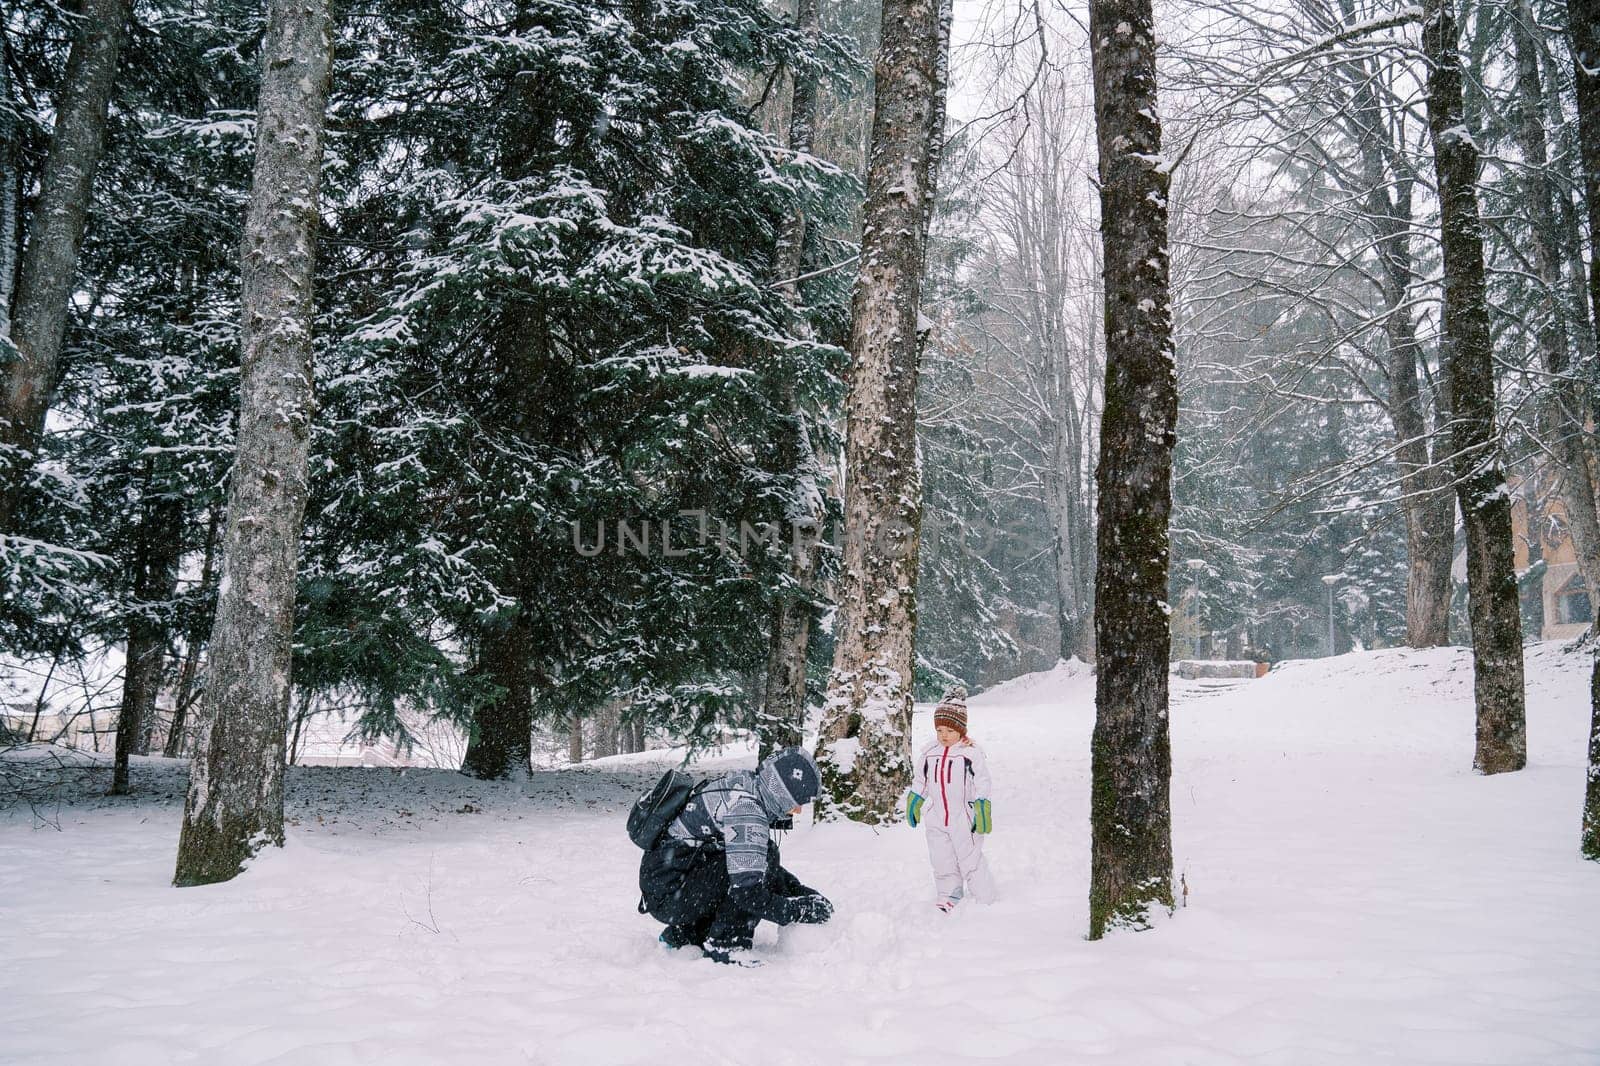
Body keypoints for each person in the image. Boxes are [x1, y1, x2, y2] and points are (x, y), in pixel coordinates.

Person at [638, 746, 833, 965]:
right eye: (798, 802)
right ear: (783, 793)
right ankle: (727, 945)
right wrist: (797, 910)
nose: (797, 811)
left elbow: (762, 869)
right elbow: (748, 893)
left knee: (756, 857)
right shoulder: (747, 811)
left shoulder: (746, 786)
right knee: (751, 868)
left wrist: (802, 893)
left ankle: (686, 935)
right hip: (669, 894)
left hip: (665, 886)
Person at [906, 686, 995, 911]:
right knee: (942, 860)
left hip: (963, 818)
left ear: (961, 730)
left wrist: (982, 806)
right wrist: (915, 800)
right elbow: (921, 780)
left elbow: (982, 781)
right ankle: (949, 895)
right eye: (940, 730)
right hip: (936, 817)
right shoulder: (929, 753)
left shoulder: (969, 754)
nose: (944, 735)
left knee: (970, 860)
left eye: (950, 730)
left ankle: (984, 898)